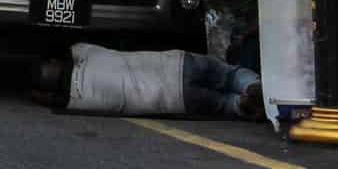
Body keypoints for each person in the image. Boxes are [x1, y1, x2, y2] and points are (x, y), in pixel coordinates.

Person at [32, 44, 264, 120]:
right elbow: (69, 48)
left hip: (176, 99)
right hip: (177, 64)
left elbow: (52, 102)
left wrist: (37, 96)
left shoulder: (75, 100)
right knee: (229, 73)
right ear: (56, 62)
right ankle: (255, 86)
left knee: (224, 105)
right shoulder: (85, 52)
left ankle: (241, 104)